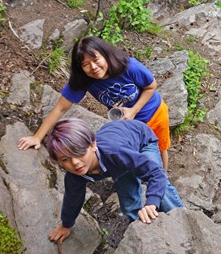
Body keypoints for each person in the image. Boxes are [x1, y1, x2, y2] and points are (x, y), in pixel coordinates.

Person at [18, 36, 172, 171]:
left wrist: (134, 110)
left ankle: (162, 179)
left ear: (105, 55)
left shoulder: (128, 66)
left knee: (161, 147)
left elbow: (151, 86)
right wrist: (37, 137)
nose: (93, 67)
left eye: (96, 59)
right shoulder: (84, 81)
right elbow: (60, 108)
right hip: (128, 124)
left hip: (154, 113)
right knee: (135, 153)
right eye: (86, 64)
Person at [46, 117, 184, 244]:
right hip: (119, 161)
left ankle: (183, 223)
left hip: (141, 141)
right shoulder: (74, 176)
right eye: (65, 159)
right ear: (58, 162)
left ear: (93, 145)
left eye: (79, 153)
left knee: (162, 190)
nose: (75, 163)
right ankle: (140, 227)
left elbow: (155, 173)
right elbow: (72, 199)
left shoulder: (115, 152)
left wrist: (152, 203)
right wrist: (66, 225)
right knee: (128, 203)